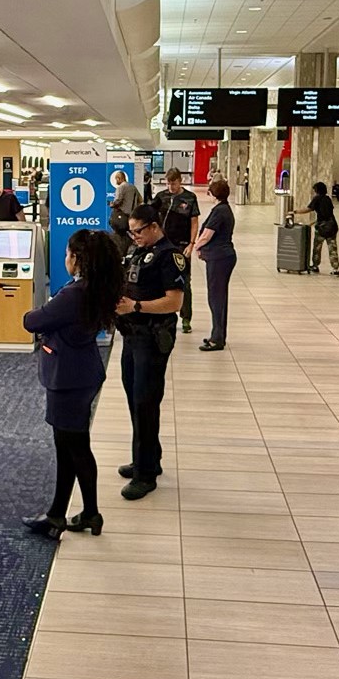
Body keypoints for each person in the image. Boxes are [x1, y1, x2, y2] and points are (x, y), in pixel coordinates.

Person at [21, 229, 122, 538]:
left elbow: (31, 320)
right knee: (68, 446)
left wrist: (40, 309)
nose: (65, 258)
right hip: (82, 372)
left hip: (68, 377)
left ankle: (90, 512)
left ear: (79, 260)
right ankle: (57, 514)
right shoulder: (97, 288)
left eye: (67, 254)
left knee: (75, 447)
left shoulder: (73, 294)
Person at [115, 204, 184, 500]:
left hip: (152, 339)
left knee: (145, 401)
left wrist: (137, 307)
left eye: (139, 231)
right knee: (134, 398)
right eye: (131, 231)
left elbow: (174, 302)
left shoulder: (170, 256)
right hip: (131, 336)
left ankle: (145, 476)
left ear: (154, 226)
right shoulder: (136, 251)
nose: (135, 236)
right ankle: (147, 458)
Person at [151, 167, 201, 334]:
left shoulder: (190, 198)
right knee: (158, 279)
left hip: (181, 245)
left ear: (180, 181)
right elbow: (151, 216)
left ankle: (186, 318)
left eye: (173, 183)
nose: (171, 187)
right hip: (162, 245)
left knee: (184, 281)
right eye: (168, 183)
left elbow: (194, 222)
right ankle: (162, 314)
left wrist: (192, 243)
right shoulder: (161, 197)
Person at [193, 177, 236, 352]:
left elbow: (207, 234)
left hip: (219, 258)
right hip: (223, 257)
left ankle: (217, 338)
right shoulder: (224, 209)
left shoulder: (219, 211)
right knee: (219, 297)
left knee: (216, 298)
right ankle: (217, 334)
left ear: (213, 193)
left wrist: (195, 246)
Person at [296, 182, 339, 275]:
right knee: (332, 248)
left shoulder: (317, 198)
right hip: (332, 226)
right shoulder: (328, 199)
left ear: (317, 190)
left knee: (317, 247)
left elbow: (308, 209)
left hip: (321, 228)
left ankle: (315, 266)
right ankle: (335, 268)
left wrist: (295, 212)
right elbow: (326, 213)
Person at [109, 168, 142, 242]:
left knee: (119, 236)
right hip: (132, 216)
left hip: (121, 216)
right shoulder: (133, 187)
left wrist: (112, 204)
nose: (116, 181)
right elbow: (140, 200)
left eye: (116, 179)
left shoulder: (121, 187)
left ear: (119, 178)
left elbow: (118, 201)